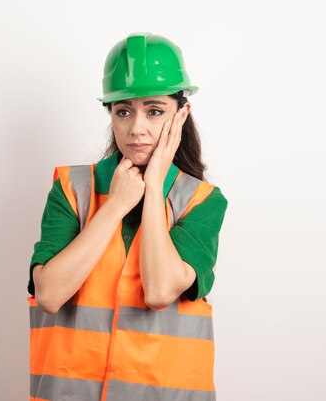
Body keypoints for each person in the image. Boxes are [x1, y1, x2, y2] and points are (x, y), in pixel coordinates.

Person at [27, 32, 228, 401]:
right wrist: (115, 205)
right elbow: (50, 294)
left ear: (181, 113)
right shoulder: (73, 189)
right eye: (123, 111)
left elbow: (159, 291)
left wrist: (153, 189)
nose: (137, 128)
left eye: (154, 111)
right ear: (111, 116)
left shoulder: (201, 201)